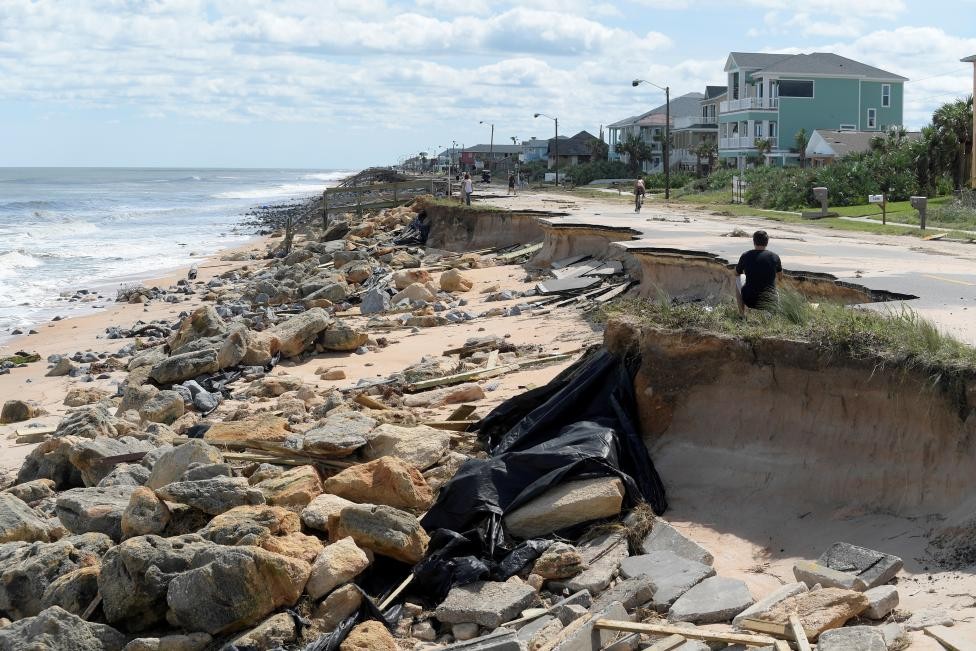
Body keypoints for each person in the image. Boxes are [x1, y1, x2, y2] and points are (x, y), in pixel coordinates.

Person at [734, 230, 783, 315]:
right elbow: (781, 277)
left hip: (750, 300)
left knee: (738, 279)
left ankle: (742, 315)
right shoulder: (775, 257)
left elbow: (736, 273)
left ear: (754, 242)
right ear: (767, 242)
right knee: (774, 286)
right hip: (769, 301)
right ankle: (772, 315)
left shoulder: (745, 255)